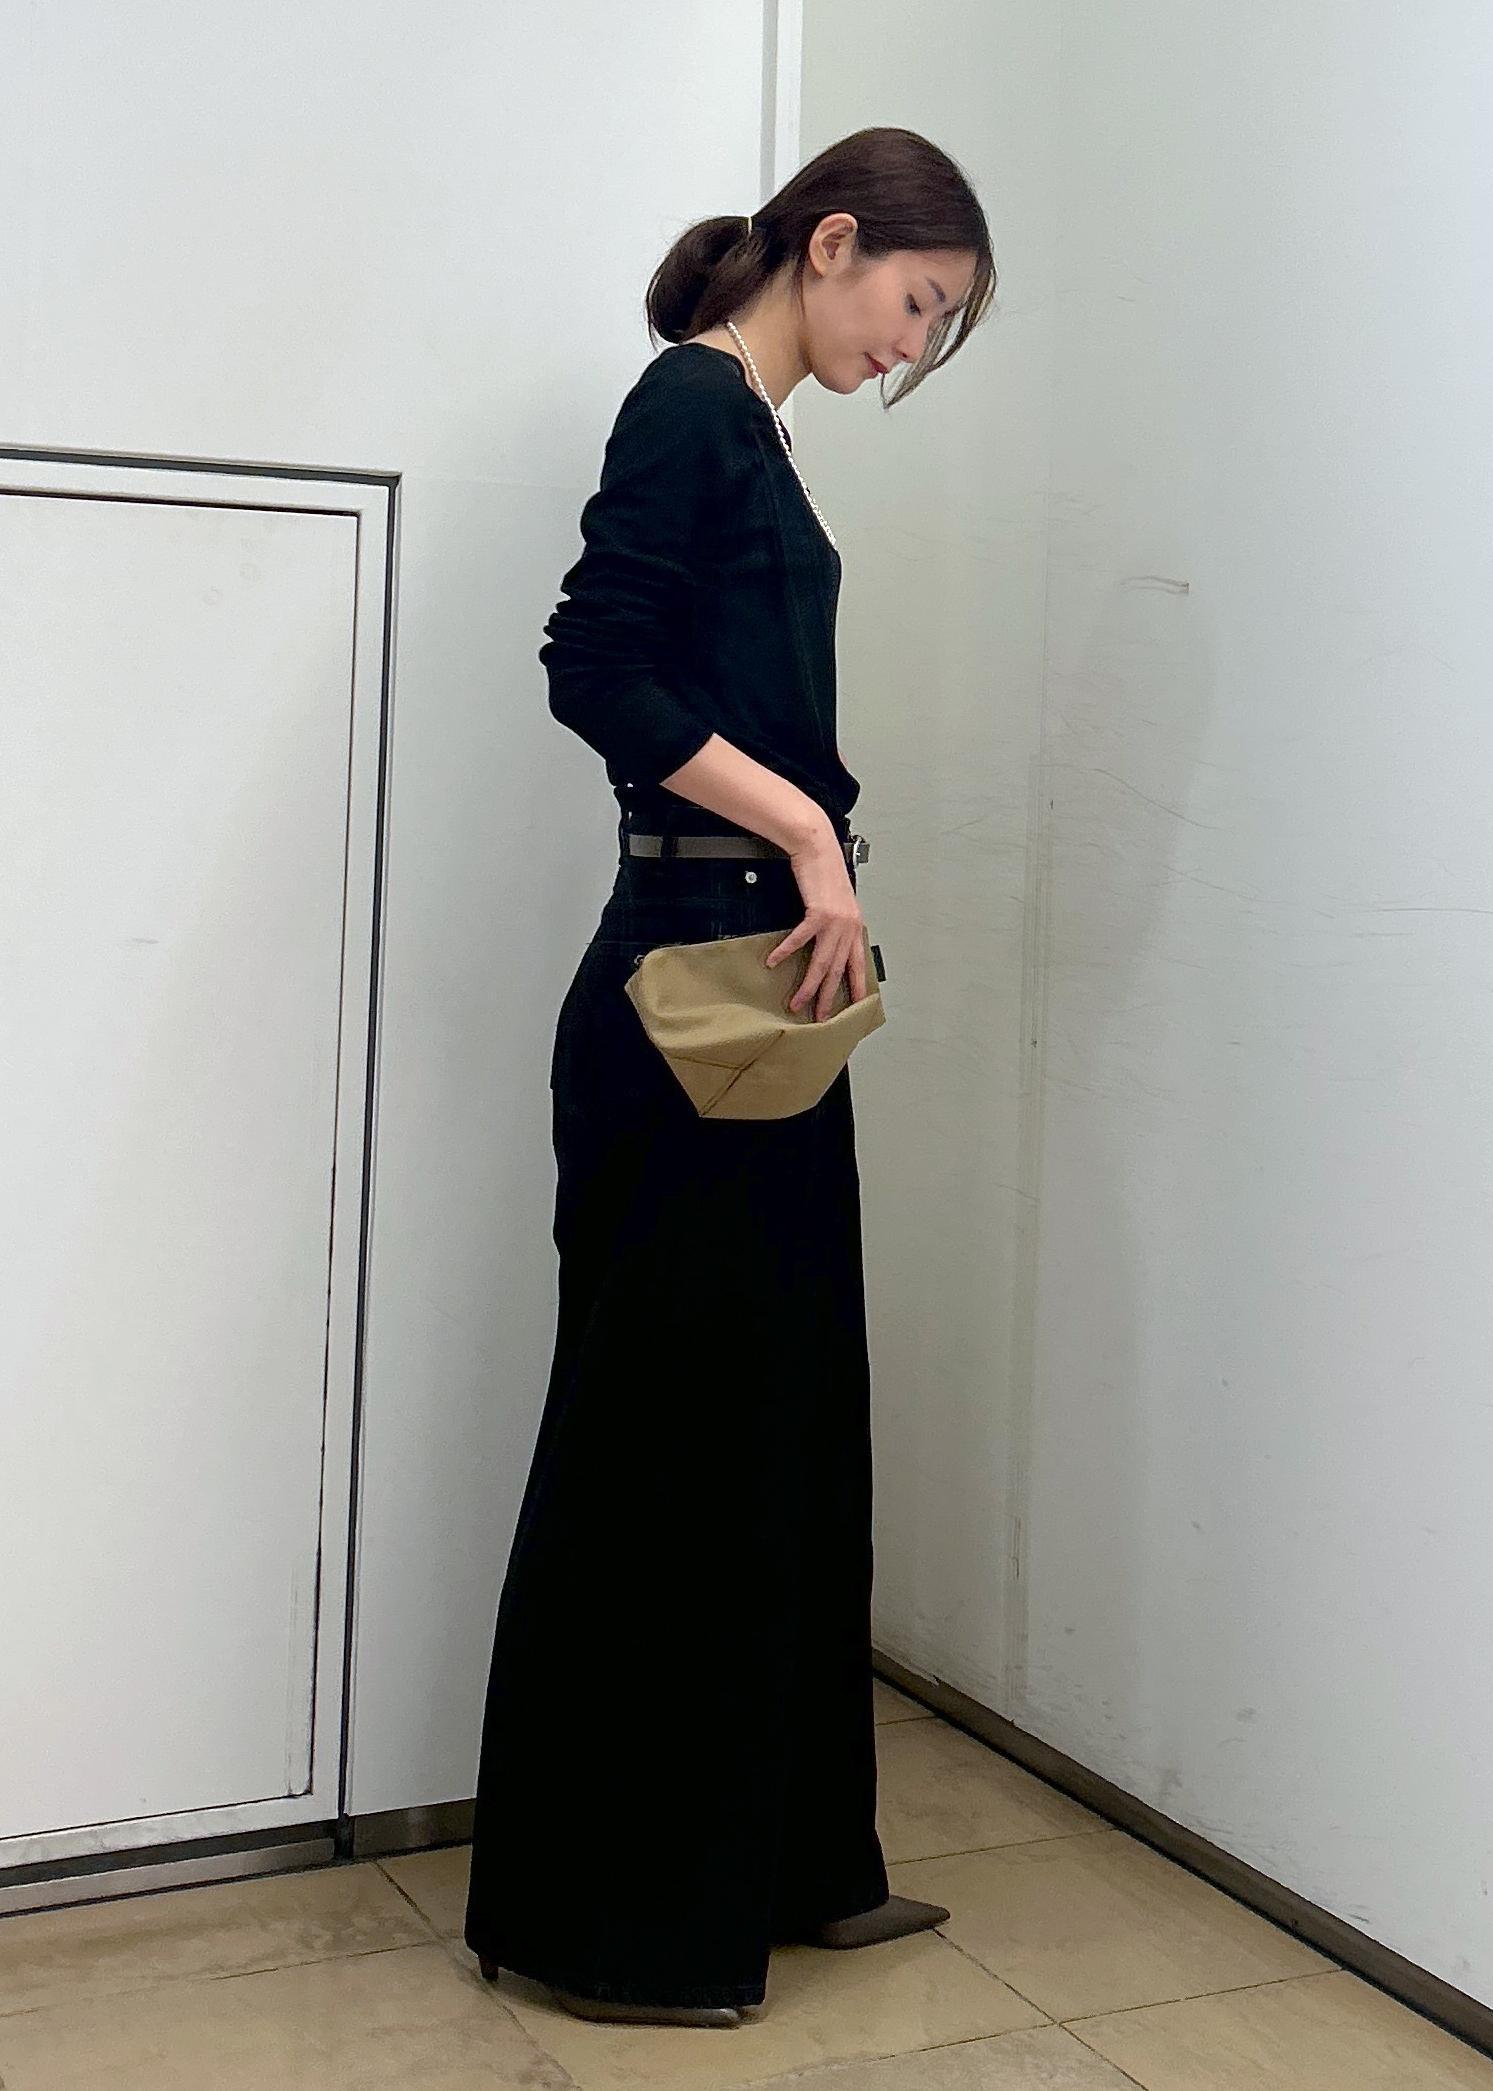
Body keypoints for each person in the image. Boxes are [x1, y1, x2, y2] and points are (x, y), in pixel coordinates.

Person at [463, 125, 995, 2031]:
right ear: (831, 243)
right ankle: (609, 1925)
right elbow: (593, 664)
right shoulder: (689, 407)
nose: (906, 351)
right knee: (669, 1439)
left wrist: (810, 863)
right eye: (913, 306)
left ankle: (783, 1866)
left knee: (778, 1424)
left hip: (759, 993)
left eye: (933, 332)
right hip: (688, 997)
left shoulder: (753, 434)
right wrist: (812, 835)